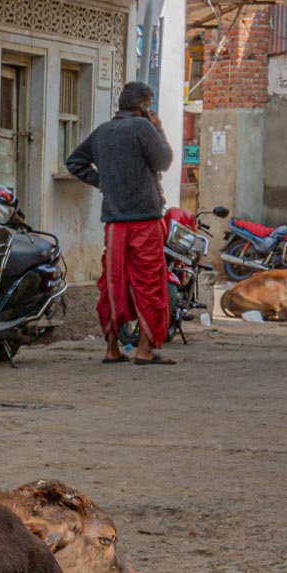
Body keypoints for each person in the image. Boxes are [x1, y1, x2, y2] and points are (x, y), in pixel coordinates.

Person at [66, 81, 177, 364]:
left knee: (114, 284)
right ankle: (144, 349)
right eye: (149, 106)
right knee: (149, 284)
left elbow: (74, 162)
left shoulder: (103, 131)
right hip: (144, 221)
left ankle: (112, 349)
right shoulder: (142, 128)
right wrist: (159, 128)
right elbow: (163, 161)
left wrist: (100, 180)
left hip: (114, 224)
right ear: (143, 106)